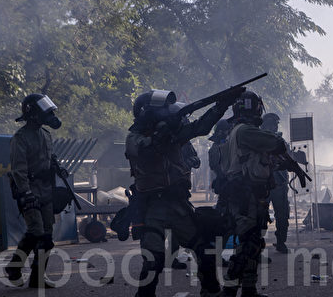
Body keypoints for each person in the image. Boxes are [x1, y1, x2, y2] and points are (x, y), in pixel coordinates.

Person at [125, 88, 241, 297]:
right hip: (152, 207)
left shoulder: (172, 135)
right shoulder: (134, 138)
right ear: (148, 114)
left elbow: (202, 127)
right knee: (153, 260)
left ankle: (211, 292)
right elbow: (147, 152)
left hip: (178, 204)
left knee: (204, 251)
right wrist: (163, 133)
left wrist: (221, 105)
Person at [222, 92, 309, 297]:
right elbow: (275, 144)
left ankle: (249, 290)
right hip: (246, 195)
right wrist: (285, 155)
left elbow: (263, 158)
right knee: (247, 245)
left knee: (254, 244)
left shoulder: (239, 132)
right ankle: (229, 289)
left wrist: (288, 164)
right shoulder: (245, 131)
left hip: (253, 193)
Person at [5, 94, 63, 288]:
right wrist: (26, 193)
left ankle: (37, 279)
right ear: (33, 114)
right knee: (36, 232)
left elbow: (48, 159)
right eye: (45, 111)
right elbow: (18, 170)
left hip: (45, 190)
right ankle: (14, 267)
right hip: (29, 190)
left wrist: (57, 168)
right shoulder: (19, 139)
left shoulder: (46, 134)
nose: (50, 115)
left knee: (47, 236)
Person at [260, 113, 290, 254]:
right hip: (263, 184)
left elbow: (288, 159)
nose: (275, 127)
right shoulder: (257, 141)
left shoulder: (281, 141)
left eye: (276, 124)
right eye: (273, 124)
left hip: (279, 183)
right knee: (259, 215)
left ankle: (281, 242)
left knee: (282, 215)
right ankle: (258, 244)